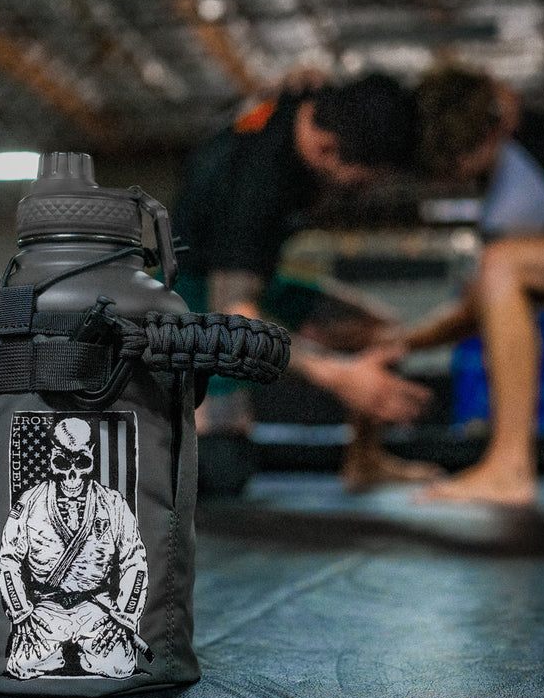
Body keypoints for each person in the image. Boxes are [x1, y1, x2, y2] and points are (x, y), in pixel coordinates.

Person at [171, 72, 436, 495]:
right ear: (326, 148)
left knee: (377, 329)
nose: (362, 193)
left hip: (256, 280)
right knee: (222, 470)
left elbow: (297, 85)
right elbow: (234, 318)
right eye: (360, 181)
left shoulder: (314, 102)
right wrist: (338, 375)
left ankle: (365, 462)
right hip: (192, 304)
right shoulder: (252, 185)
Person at [402, 65, 544, 507]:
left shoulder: (519, 191)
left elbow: (474, 311)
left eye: (455, 161)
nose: (448, 175)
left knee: (501, 266)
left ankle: (509, 469)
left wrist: (402, 341)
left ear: (488, 136)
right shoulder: (524, 140)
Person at [0, 416, 149, 679]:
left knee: (119, 666)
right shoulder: (30, 502)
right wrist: (21, 613)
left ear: (92, 455)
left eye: (80, 462)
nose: (72, 474)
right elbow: (8, 559)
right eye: (62, 462)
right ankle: (60, 653)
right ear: (51, 458)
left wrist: (124, 617)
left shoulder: (113, 503)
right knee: (21, 665)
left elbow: (135, 560)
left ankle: (75, 654)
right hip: (45, 608)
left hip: (96, 607)